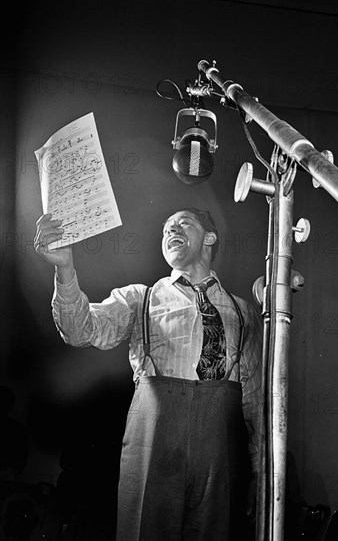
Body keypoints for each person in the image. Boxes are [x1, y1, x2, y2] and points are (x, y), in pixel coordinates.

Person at [34, 208, 262, 541]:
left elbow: (255, 399)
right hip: (155, 442)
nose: (172, 229)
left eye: (184, 223)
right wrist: (65, 268)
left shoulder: (242, 312)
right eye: (166, 227)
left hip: (221, 451)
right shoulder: (141, 298)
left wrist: (260, 470)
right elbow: (80, 331)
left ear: (210, 238)